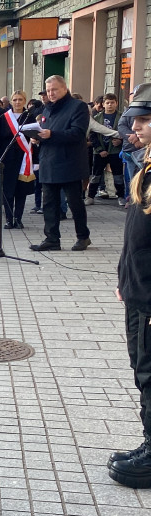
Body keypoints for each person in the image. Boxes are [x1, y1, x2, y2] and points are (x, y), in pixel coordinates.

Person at [109, 83, 151, 489]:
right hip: (139, 287)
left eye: (144, 120)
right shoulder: (147, 165)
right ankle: (149, 440)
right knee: (143, 369)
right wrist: (126, 278)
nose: (134, 126)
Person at [29, 75, 92, 252]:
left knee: (74, 202)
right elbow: (45, 131)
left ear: (65, 88)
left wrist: (51, 135)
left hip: (69, 163)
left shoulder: (78, 107)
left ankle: (83, 236)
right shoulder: (46, 109)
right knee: (49, 203)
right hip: (48, 162)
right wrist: (38, 139)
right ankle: (51, 239)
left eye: (54, 89)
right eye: (48, 91)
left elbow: (78, 133)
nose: (51, 93)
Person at [0, 90, 37, 229]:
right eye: (15, 99)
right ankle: (8, 218)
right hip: (8, 159)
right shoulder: (3, 118)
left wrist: (36, 160)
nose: (17, 102)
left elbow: (35, 139)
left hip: (24, 159)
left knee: (21, 190)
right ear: (11, 101)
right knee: (8, 190)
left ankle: (18, 218)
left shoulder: (30, 117)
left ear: (25, 101)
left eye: (20, 99)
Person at [87, 93, 125, 206]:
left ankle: (121, 196)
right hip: (100, 151)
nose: (110, 105)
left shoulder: (121, 117)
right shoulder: (97, 118)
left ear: (116, 103)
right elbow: (92, 135)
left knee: (118, 175)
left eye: (112, 102)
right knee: (96, 175)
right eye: (107, 103)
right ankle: (90, 196)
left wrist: (120, 141)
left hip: (115, 150)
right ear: (103, 104)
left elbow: (125, 132)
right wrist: (99, 149)